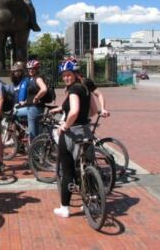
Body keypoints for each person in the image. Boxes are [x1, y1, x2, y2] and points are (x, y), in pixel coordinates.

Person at [52, 60, 94, 218]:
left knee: (68, 170)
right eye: (64, 75)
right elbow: (94, 110)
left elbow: (74, 111)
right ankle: (88, 202)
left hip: (72, 133)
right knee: (86, 167)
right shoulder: (86, 88)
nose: (66, 78)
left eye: (68, 75)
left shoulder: (74, 90)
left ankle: (65, 207)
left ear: (76, 74)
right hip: (86, 131)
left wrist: (66, 125)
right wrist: (83, 118)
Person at [14, 59, 47, 141]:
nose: (30, 70)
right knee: (14, 112)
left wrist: (36, 98)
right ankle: (23, 133)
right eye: (29, 69)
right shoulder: (31, 79)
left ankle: (33, 150)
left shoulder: (37, 78)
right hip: (30, 107)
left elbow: (44, 89)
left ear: (36, 69)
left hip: (34, 109)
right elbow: (31, 96)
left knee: (33, 134)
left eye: (32, 69)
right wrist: (24, 102)